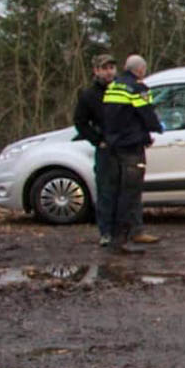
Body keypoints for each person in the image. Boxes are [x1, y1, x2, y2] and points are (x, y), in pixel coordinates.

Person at [102, 54, 162, 254]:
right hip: (131, 147)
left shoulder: (113, 86)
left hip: (114, 146)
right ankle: (122, 239)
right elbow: (146, 114)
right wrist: (156, 128)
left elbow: (111, 116)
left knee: (119, 191)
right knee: (130, 193)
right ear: (140, 70)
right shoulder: (138, 88)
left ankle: (124, 234)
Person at [73, 52, 120, 245]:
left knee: (126, 192)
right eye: (104, 68)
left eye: (111, 68)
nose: (109, 72)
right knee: (106, 192)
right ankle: (106, 232)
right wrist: (97, 140)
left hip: (125, 147)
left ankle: (126, 230)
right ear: (96, 71)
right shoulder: (89, 95)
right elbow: (80, 122)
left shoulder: (123, 90)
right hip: (106, 149)